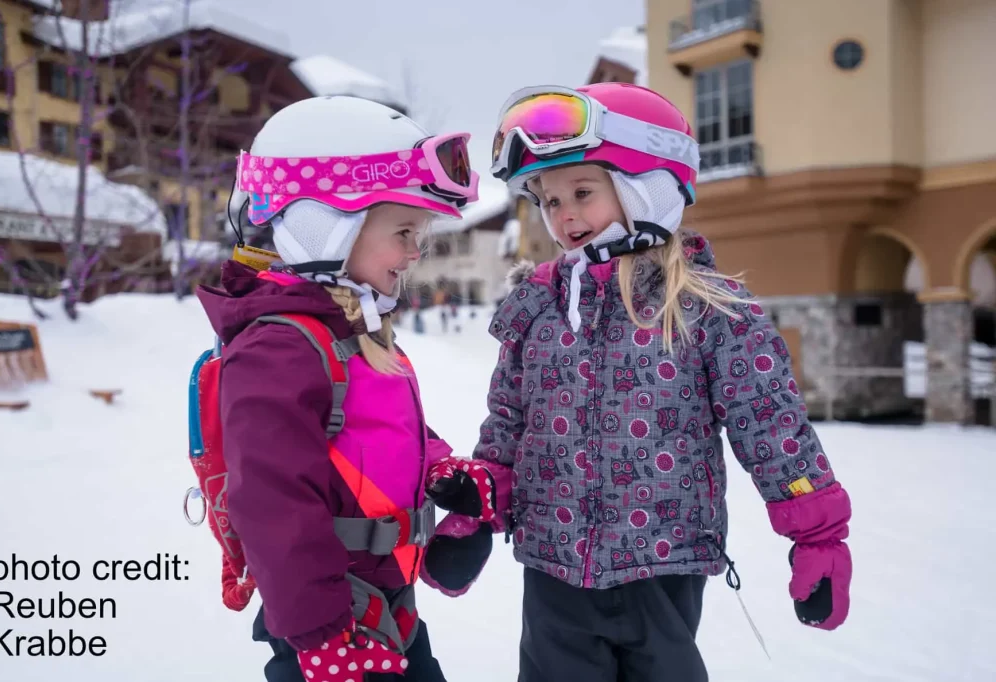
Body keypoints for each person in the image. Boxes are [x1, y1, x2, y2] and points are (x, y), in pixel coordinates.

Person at [420, 82, 854, 682]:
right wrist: (478, 511)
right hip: (552, 565)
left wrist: (818, 538)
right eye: (548, 200)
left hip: (662, 564)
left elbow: (771, 425)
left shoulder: (706, 309)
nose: (563, 214)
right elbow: (509, 425)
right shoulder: (538, 308)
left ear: (647, 186)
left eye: (582, 192)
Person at [195, 95, 481, 682]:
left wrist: (441, 473)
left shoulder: (350, 332)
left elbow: (378, 432)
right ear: (324, 224)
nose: (415, 251)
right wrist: (321, 636)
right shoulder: (279, 349)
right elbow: (273, 504)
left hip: (385, 608)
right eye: (404, 230)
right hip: (331, 629)